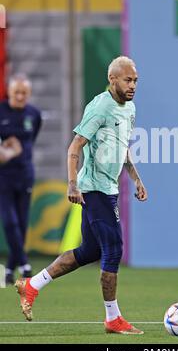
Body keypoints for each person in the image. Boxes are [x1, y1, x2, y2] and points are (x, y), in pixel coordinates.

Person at [15, 56, 148, 335]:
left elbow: (121, 148)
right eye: (128, 79)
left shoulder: (130, 109)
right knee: (114, 249)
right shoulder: (99, 106)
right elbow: (75, 145)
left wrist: (136, 179)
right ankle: (113, 318)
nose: (133, 85)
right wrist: (72, 184)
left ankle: (32, 285)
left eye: (135, 80)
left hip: (108, 188)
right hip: (94, 188)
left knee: (89, 251)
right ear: (112, 79)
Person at [0, 74, 42, 285]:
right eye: (16, 92)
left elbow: (30, 140)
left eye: (24, 92)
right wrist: (7, 154)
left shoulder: (34, 114)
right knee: (10, 222)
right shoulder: (1, 112)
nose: (19, 96)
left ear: (29, 93)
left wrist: (19, 153)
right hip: (3, 176)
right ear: (8, 92)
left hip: (25, 174)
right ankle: (24, 264)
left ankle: (8, 270)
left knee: (23, 224)